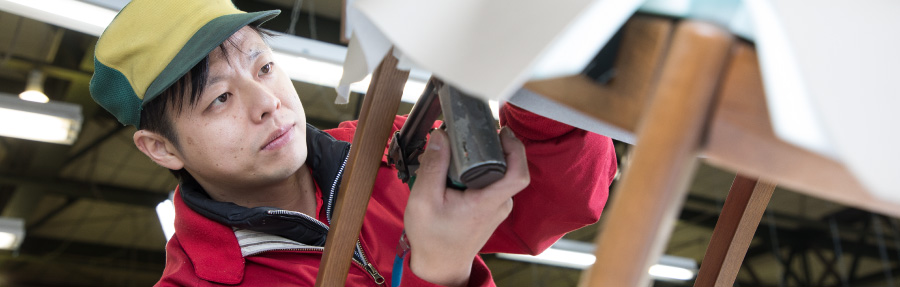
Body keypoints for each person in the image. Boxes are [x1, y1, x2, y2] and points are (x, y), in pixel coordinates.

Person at [89, 0, 617, 286]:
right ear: (161, 149)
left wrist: (547, 83)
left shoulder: (388, 151)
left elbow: (558, 196)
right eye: (219, 99)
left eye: (265, 67)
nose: (267, 102)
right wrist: (436, 271)